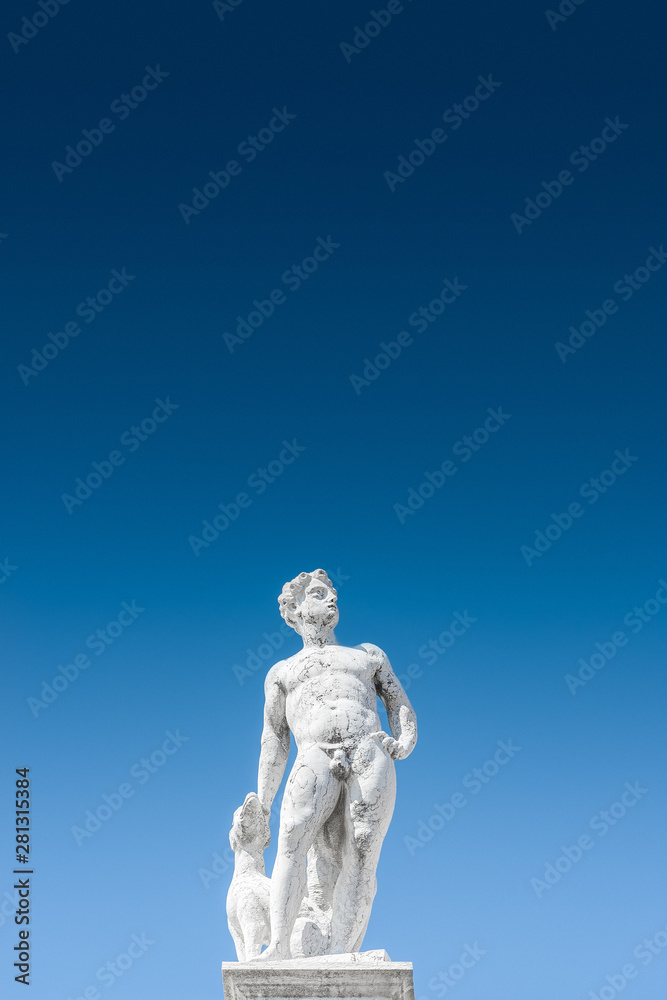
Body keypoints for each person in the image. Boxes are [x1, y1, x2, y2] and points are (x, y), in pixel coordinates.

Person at [256, 568, 417, 958]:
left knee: (362, 850)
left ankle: (343, 948)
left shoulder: (367, 654)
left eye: (332, 594)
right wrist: (263, 801)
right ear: (294, 608)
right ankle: (278, 945)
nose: (331, 599)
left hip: (369, 752)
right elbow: (275, 739)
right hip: (313, 753)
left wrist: (405, 739)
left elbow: (397, 701)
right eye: (317, 593)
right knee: (292, 841)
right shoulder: (282, 671)